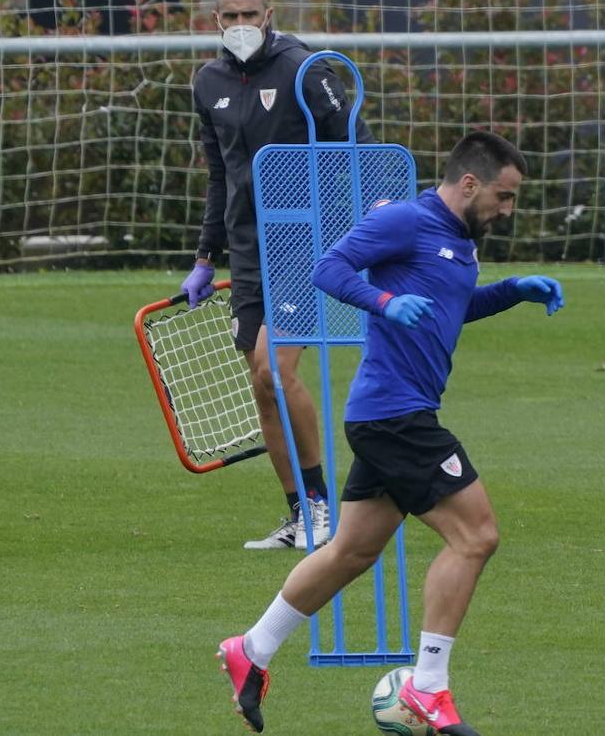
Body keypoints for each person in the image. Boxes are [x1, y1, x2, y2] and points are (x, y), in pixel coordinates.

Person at [216, 131, 564, 734]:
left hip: (391, 416)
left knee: (351, 552)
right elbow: (328, 268)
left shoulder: (460, 238)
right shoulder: (407, 219)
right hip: (395, 417)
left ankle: (252, 649)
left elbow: (446, 306)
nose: (507, 211)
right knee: (476, 537)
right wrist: (381, 301)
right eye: (504, 198)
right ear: (470, 184)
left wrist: (512, 292)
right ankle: (428, 687)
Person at [182, 0, 375, 550]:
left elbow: (360, 147)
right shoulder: (207, 81)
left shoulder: (305, 69)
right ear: (215, 20)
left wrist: (356, 227)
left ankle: (323, 510)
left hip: (304, 243)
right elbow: (221, 176)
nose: (240, 25)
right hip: (247, 249)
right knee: (261, 388)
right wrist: (203, 256)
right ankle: (299, 515)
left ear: (268, 15)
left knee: (275, 369)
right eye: (229, 16)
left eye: (250, 14)